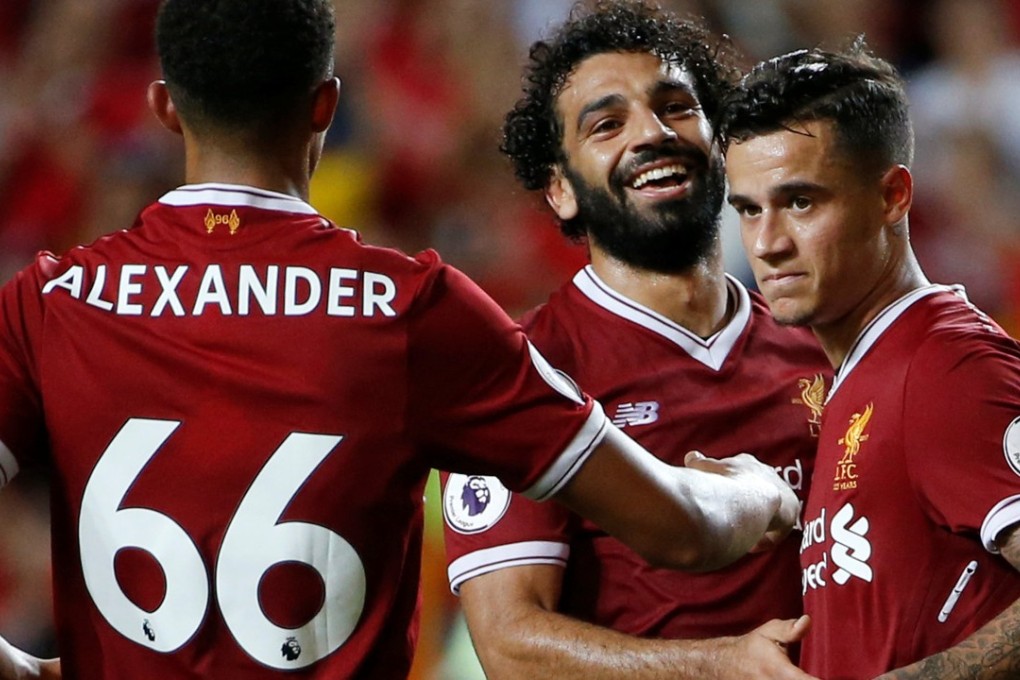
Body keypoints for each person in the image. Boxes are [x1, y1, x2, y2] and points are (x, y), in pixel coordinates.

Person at [0, 0, 805, 678]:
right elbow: (681, 529)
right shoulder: (409, 310)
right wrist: (759, 492)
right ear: (326, 105)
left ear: (165, 106)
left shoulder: (51, 302)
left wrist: (29, 668)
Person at [440, 2, 830, 678]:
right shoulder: (520, 372)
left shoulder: (821, 345)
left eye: (676, 106)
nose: (652, 133)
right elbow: (509, 645)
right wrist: (720, 664)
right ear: (561, 191)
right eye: (608, 124)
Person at [720, 39, 1020, 679]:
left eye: (800, 201)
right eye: (748, 209)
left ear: (893, 196)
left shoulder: (948, 366)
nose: (767, 244)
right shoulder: (859, 378)